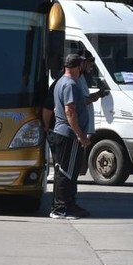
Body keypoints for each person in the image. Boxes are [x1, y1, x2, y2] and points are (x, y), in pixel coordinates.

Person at [47, 54, 92, 219]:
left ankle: (67, 205)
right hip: (69, 135)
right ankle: (60, 208)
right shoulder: (70, 84)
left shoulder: (61, 82)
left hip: (64, 133)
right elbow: (70, 111)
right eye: (83, 65)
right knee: (66, 173)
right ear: (77, 66)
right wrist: (80, 136)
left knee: (66, 172)